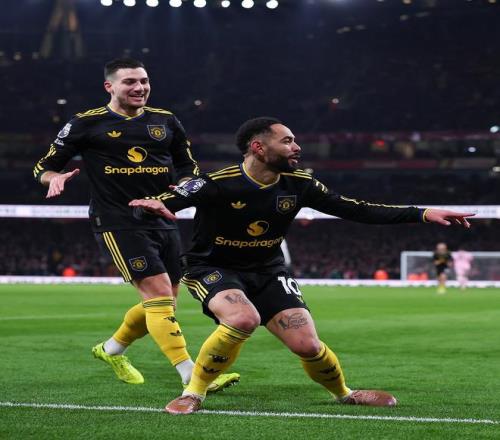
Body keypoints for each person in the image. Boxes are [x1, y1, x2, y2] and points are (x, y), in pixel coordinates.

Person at [129, 117, 474, 414]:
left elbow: (357, 209)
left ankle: (345, 394)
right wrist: (155, 204)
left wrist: (423, 213)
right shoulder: (218, 182)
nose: (297, 147)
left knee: (307, 345)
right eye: (287, 141)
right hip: (212, 268)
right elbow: (174, 198)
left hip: (268, 271)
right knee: (242, 318)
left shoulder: (301, 184)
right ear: (259, 147)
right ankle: (193, 393)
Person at [33, 57, 238, 392]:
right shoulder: (86, 123)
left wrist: (184, 187)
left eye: (144, 81)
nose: (140, 87)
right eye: (130, 81)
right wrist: (54, 177)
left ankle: (111, 349)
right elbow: (44, 166)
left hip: (161, 218)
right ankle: (193, 375)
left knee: (165, 302)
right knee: (159, 295)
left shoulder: (165, 121)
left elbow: (187, 167)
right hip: (117, 220)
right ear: (109, 86)